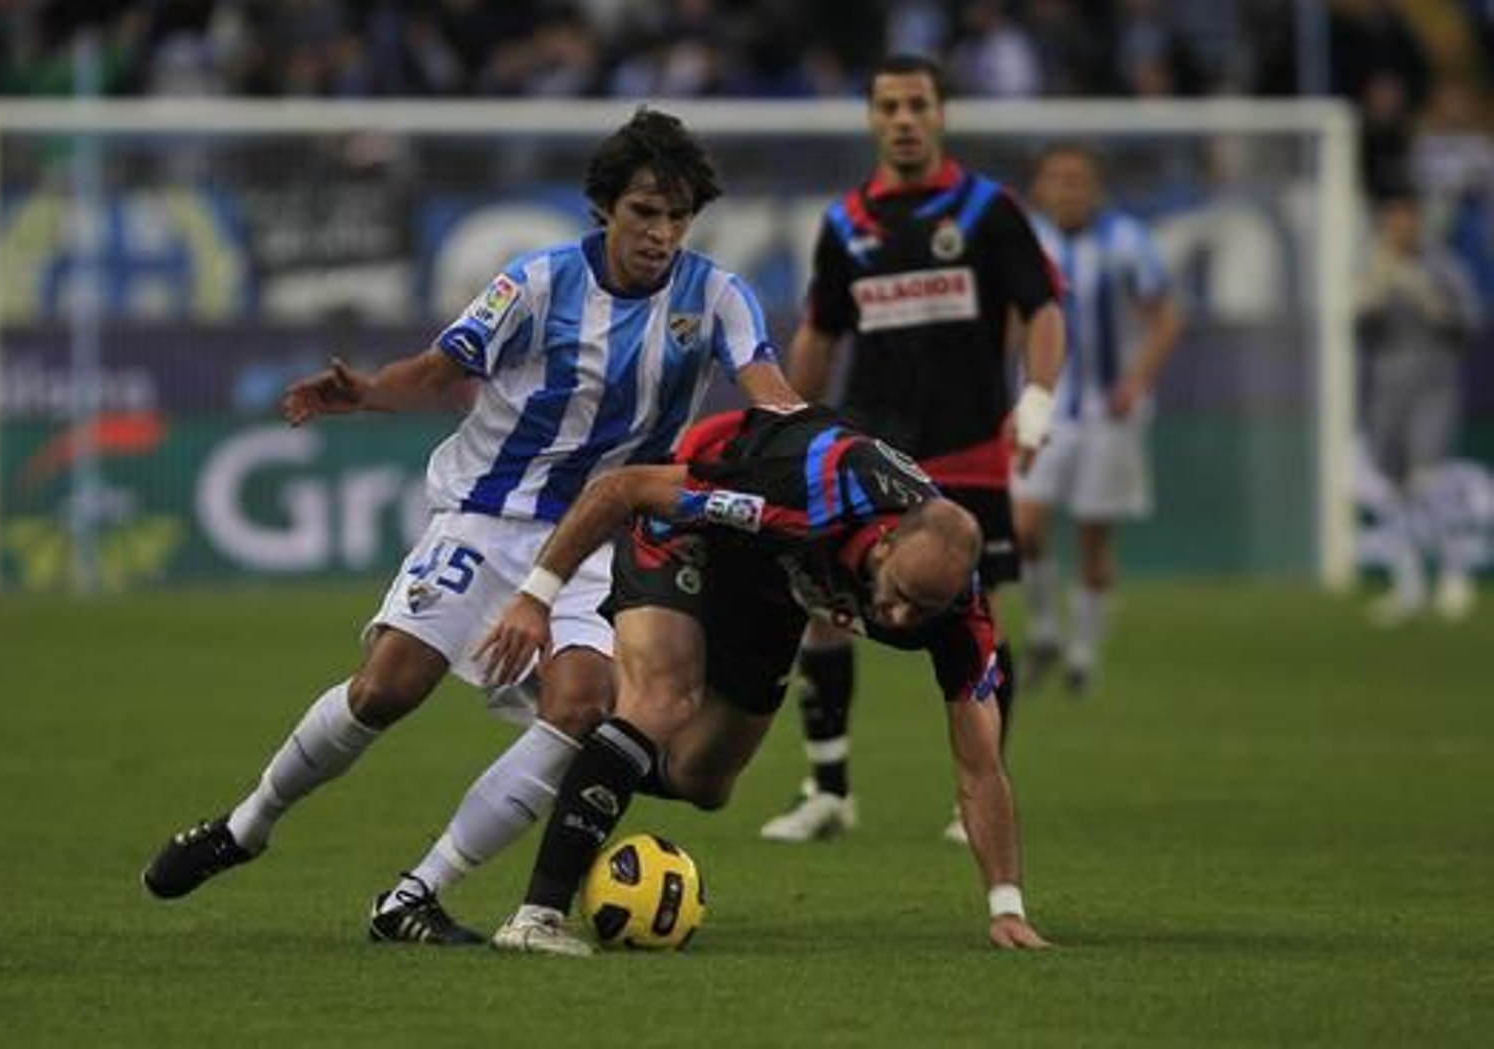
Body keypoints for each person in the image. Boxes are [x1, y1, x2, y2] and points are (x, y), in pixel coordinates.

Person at [140, 108, 803, 943]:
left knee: (585, 704)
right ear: (606, 207)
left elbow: (771, 392)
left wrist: (815, 453)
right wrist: (371, 391)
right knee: (386, 687)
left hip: (601, 547)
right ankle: (247, 825)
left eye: (677, 215)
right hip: (487, 519)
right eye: (645, 211)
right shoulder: (536, 282)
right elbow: (442, 369)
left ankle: (416, 893)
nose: (662, 232)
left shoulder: (715, 295)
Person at [475, 404, 1052, 956]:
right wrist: (535, 599)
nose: (900, 617)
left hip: (778, 587)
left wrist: (1007, 907)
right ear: (886, 541)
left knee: (703, 780)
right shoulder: (803, 498)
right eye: (899, 594)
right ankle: (537, 915)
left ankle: (581, 725)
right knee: (662, 703)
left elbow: (981, 769)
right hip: (695, 534)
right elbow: (621, 488)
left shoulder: (961, 619)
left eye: (922, 609)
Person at [757, 53, 1065, 846]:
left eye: (916, 104)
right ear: (871, 117)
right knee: (824, 605)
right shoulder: (845, 225)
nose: (902, 118)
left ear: (940, 114)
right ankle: (828, 789)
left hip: (967, 447)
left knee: (979, 615)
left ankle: (982, 790)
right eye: (888, 105)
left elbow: (1042, 309)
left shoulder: (988, 210)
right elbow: (821, 330)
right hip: (873, 454)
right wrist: (790, 420)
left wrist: (1036, 399)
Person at [1012, 143, 1182, 695]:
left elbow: (1164, 317)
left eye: (1078, 179)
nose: (1068, 189)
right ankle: (1043, 631)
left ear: (1095, 187)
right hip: (1045, 405)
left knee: (1093, 535)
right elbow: (1011, 319)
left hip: (1108, 412)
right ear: (1040, 187)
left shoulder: (1127, 240)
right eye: (1057, 178)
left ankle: (1083, 654)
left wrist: (1136, 380)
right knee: (1024, 528)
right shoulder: (1026, 240)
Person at [1356, 188, 1483, 625]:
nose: (1399, 227)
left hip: (1433, 381)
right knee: (1390, 487)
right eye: (1391, 218)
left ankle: (1455, 575)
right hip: (1386, 385)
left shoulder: (1443, 265)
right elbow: (1360, 327)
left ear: (1417, 220)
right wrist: (1367, 306)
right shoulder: (1372, 263)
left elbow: (1472, 321)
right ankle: (1407, 584)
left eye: (1405, 218)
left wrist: (1438, 308)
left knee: (1429, 480)